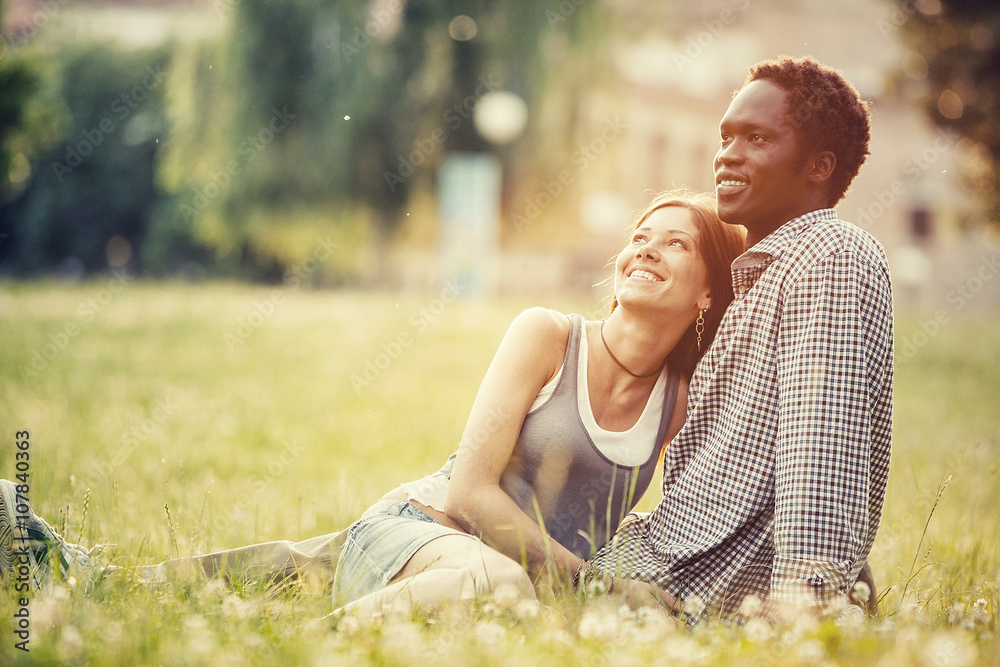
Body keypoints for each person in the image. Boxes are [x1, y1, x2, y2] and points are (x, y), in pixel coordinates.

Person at [0, 190, 746, 614]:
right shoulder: (548, 335)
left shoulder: (680, 403)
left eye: (675, 243)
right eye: (640, 236)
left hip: (481, 584)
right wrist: (594, 585)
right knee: (500, 584)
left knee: (207, 583)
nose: (645, 247)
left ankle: (34, 539)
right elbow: (470, 491)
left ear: (709, 287)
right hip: (422, 527)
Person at [583, 56, 893, 623]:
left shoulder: (828, 254)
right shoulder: (759, 278)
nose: (727, 153)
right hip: (657, 563)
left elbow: (823, 443)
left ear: (819, 166)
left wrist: (805, 598)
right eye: (726, 136)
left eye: (757, 137)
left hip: (689, 590)